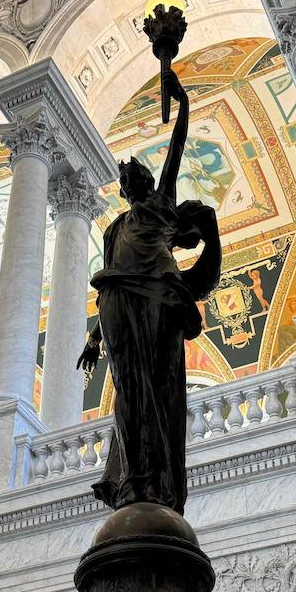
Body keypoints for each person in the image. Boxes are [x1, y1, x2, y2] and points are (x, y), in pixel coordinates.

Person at [78, 67, 221, 514]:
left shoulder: (161, 204)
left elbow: (177, 146)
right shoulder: (114, 228)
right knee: (127, 388)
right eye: (129, 177)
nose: (136, 177)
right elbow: (107, 277)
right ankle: (133, 474)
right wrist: (93, 338)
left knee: (156, 383)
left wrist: (182, 103)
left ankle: (157, 476)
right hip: (118, 299)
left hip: (159, 295)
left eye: (140, 172)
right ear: (123, 191)